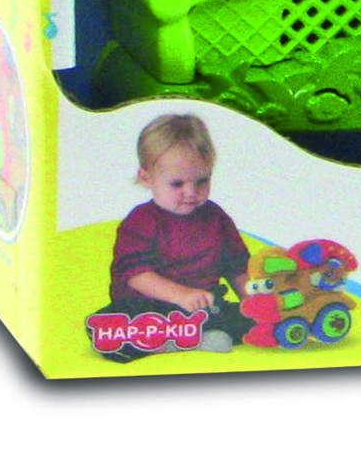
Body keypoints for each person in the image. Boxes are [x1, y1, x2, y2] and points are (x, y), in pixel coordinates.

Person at [90, 114, 252, 361]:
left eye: (202, 181)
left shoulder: (215, 217)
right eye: (177, 184)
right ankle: (172, 341)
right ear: (147, 178)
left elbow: (237, 267)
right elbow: (137, 275)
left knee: (251, 320)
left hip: (204, 307)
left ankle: (194, 336)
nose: (191, 192)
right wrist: (181, 295)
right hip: (149, 308)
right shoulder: (141, 220)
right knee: (105, 326)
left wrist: (254, 303)